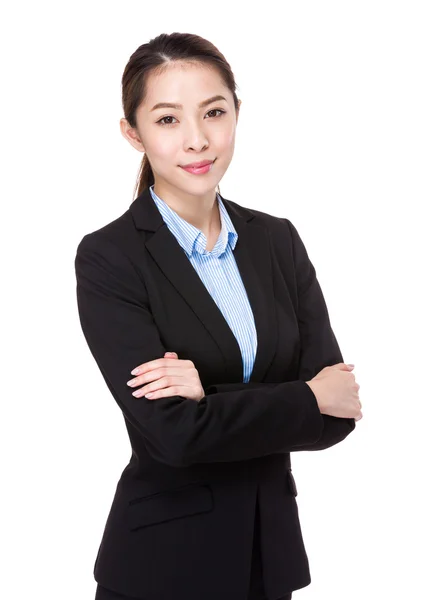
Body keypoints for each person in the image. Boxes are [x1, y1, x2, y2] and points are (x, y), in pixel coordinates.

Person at [74, 32, 362, 600]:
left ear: (236, 113)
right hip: (162, 567)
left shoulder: (276, 241)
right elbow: (173, 436)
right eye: (167, 120)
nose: (197, 139)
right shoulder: (111, 256)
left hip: (267, 561)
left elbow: (341, 410)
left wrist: (207, 393)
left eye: (213, 112)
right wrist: (304, 397)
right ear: (133, 133)